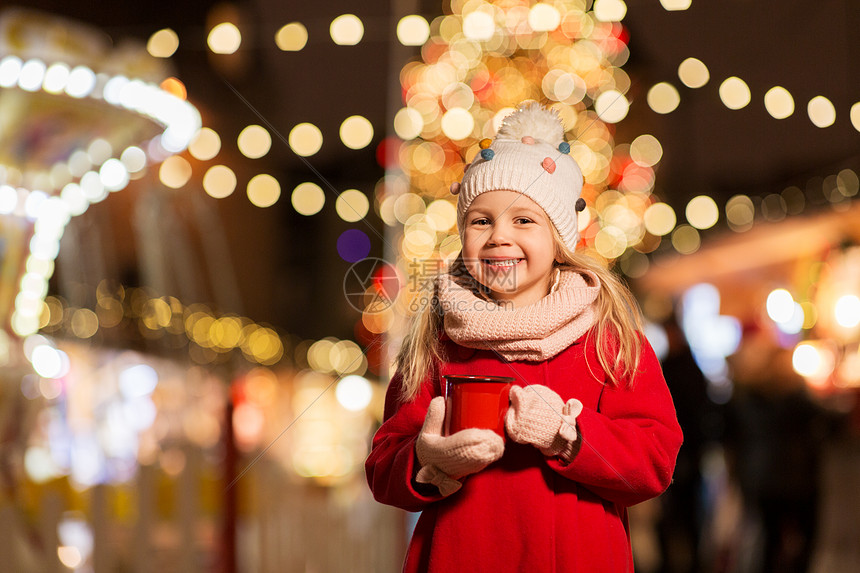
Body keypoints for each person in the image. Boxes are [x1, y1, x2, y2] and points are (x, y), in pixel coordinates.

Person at [365, 103, 683, 572]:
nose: (498, 237)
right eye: (481, 220)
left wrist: (568, 434)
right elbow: (382, 465)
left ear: (558, 238)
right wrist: (426, 460)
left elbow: (654, 461)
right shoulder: (437, 342)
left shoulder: (609, 341)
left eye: (524, 220)